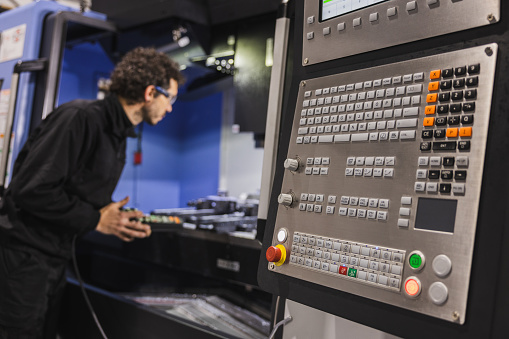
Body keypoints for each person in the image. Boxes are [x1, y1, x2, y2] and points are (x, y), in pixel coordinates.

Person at [0, 47, 184, 338]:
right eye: (169, 97)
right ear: (150, 93)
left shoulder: (118, 134)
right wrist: (96, 220)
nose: (170, 107)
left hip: (54, 259)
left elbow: (78, 191)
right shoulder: (80, 118)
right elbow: (31, 190)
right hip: (23, 260)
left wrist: (116, 216)